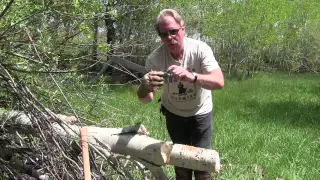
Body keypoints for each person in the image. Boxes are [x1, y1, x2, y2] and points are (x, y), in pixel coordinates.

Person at [137, 9, 224, 180]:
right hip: (174, 114)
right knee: (180, 162)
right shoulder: (154, 59)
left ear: (182, 29)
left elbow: (219, 81)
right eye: (164, 34)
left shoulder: (200, 49)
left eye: (173, 31)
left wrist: (192, 77)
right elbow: (147, 99)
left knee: (202, 164)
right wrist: (144, 86)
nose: (169, 37)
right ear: (160, 37)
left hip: (201, 112)